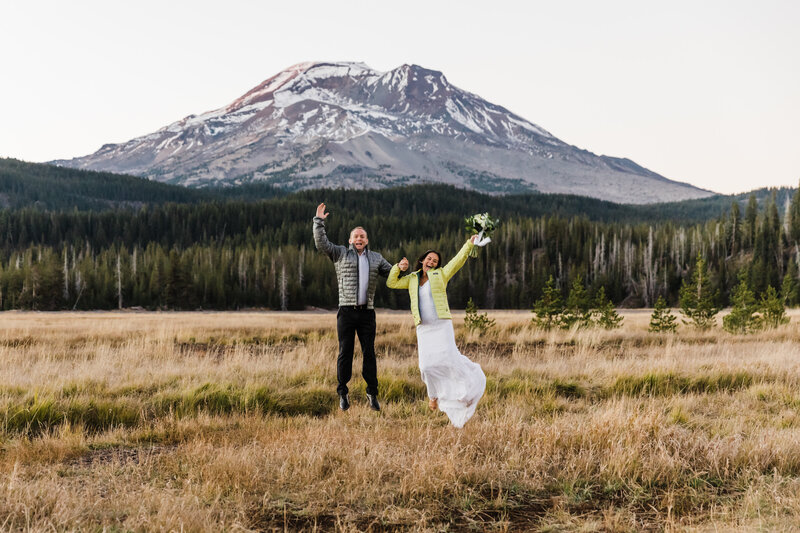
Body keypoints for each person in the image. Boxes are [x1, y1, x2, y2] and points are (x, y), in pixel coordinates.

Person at [386, 235, 487, 428]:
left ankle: (465, 392)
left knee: (450, 360)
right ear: (422, 261)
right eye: (429, 259)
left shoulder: (441, 274)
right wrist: (398, 268)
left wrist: (469, 244)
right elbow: (392, 283)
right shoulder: (412, 279)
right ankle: (433, 396)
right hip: (424, 328)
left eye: (435, 260)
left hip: (441, 325)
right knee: (426, 366)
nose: (431, 262)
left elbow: (458, 261)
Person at [313, 203, 393, 412]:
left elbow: (392, 275)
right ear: (350, 240)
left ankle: (372, 393)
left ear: (367, 241)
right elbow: (322, 244)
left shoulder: (376, 258)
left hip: (367, 313)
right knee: (345, 352)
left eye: (362, 237)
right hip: (346, 312)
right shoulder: (340, 254)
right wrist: (318, 222)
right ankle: (343, 393)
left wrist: (402, 269)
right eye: (355, 236)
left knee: (369, 353)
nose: (359, 239)